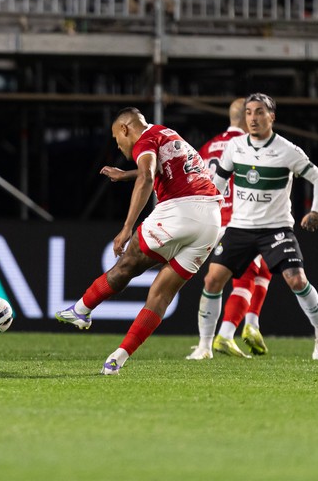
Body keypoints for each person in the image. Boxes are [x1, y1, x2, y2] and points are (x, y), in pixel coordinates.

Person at [55, 107, 222, 375]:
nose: (117, 144)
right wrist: (125, 175)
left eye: (115, 138)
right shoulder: (166, 133)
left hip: (180, 211)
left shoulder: (143, 139)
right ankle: (117, 359)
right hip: (211, 221)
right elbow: (159, 169)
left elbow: (146, 175)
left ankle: (82, 309)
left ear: (124, 129)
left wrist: (127, 227)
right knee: (161, 295)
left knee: (127, 264)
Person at [193, 93, 318, 360]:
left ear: (271, 117)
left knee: (297, 279)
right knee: (212, 280)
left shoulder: (287, 150)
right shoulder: (234, 147)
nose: (253, 118)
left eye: (259, 112)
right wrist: (207, 213)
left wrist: (315, 211)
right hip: (239, 228)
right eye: (249, 113)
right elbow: (219, 184)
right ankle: (205, 347)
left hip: (276, 228)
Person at [188, 98, 274, 360]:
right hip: (243, 222)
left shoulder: (208, 146)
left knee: (261, 271)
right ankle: (222, 337)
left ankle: (250, 325)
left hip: (212, 222)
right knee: (243, 279)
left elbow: (195, 184)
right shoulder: (248, 146)